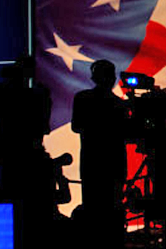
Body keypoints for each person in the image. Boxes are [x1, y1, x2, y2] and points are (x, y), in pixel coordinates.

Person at [71, 60, 129, 248]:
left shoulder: (83, 98)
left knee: (95, 209)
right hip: (110, 164)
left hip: (94, 163)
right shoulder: (119, 105)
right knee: (110, 209)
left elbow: (77, 126)